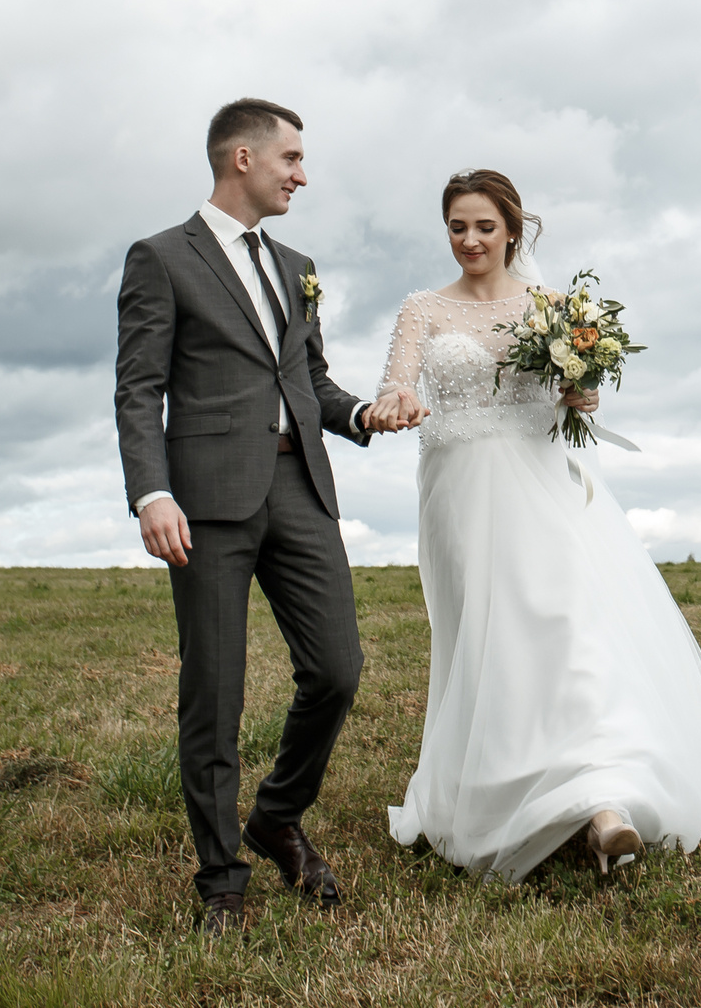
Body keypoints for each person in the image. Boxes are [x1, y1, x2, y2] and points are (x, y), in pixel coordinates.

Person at [371, 168, 701, 881]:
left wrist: (584, 390)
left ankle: (604, 803)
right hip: (459, 495)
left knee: (568, 629)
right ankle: (506, 786)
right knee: (491, 642)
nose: (470, 239)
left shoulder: (550, 305)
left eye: (484, 226)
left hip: (543, 488)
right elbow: (398, 380)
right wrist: (395, 401)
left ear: (512, 229)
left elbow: (583, 396)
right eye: (457, 226)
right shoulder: (423, 308)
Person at [113, 98, 421, 931]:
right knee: (212, 694)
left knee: (338, 669)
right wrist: (152, 491)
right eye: (290, 157)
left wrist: (361, 414)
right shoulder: (161, 257)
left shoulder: (297, 265)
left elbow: (308, 382)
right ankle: (221, 878)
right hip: (204, 502)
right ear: (240, 158)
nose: (302, 173)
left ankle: (277, 813)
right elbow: (139, 387)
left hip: (300, 491)